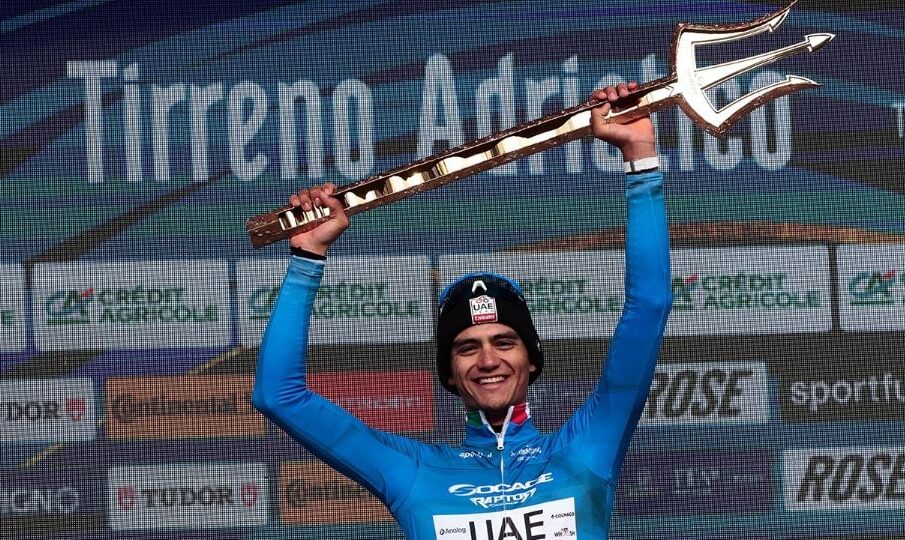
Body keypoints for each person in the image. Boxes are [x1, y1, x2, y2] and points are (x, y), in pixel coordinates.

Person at [252, 82, 672, 539]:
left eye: (504, 342)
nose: (488, 360)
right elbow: (279, 396)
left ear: (532, 359)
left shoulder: (585, 448)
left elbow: (649, 306)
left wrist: (640, 157)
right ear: (449, 373)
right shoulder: (412, 471)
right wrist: (307, 259)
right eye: (467, 347)